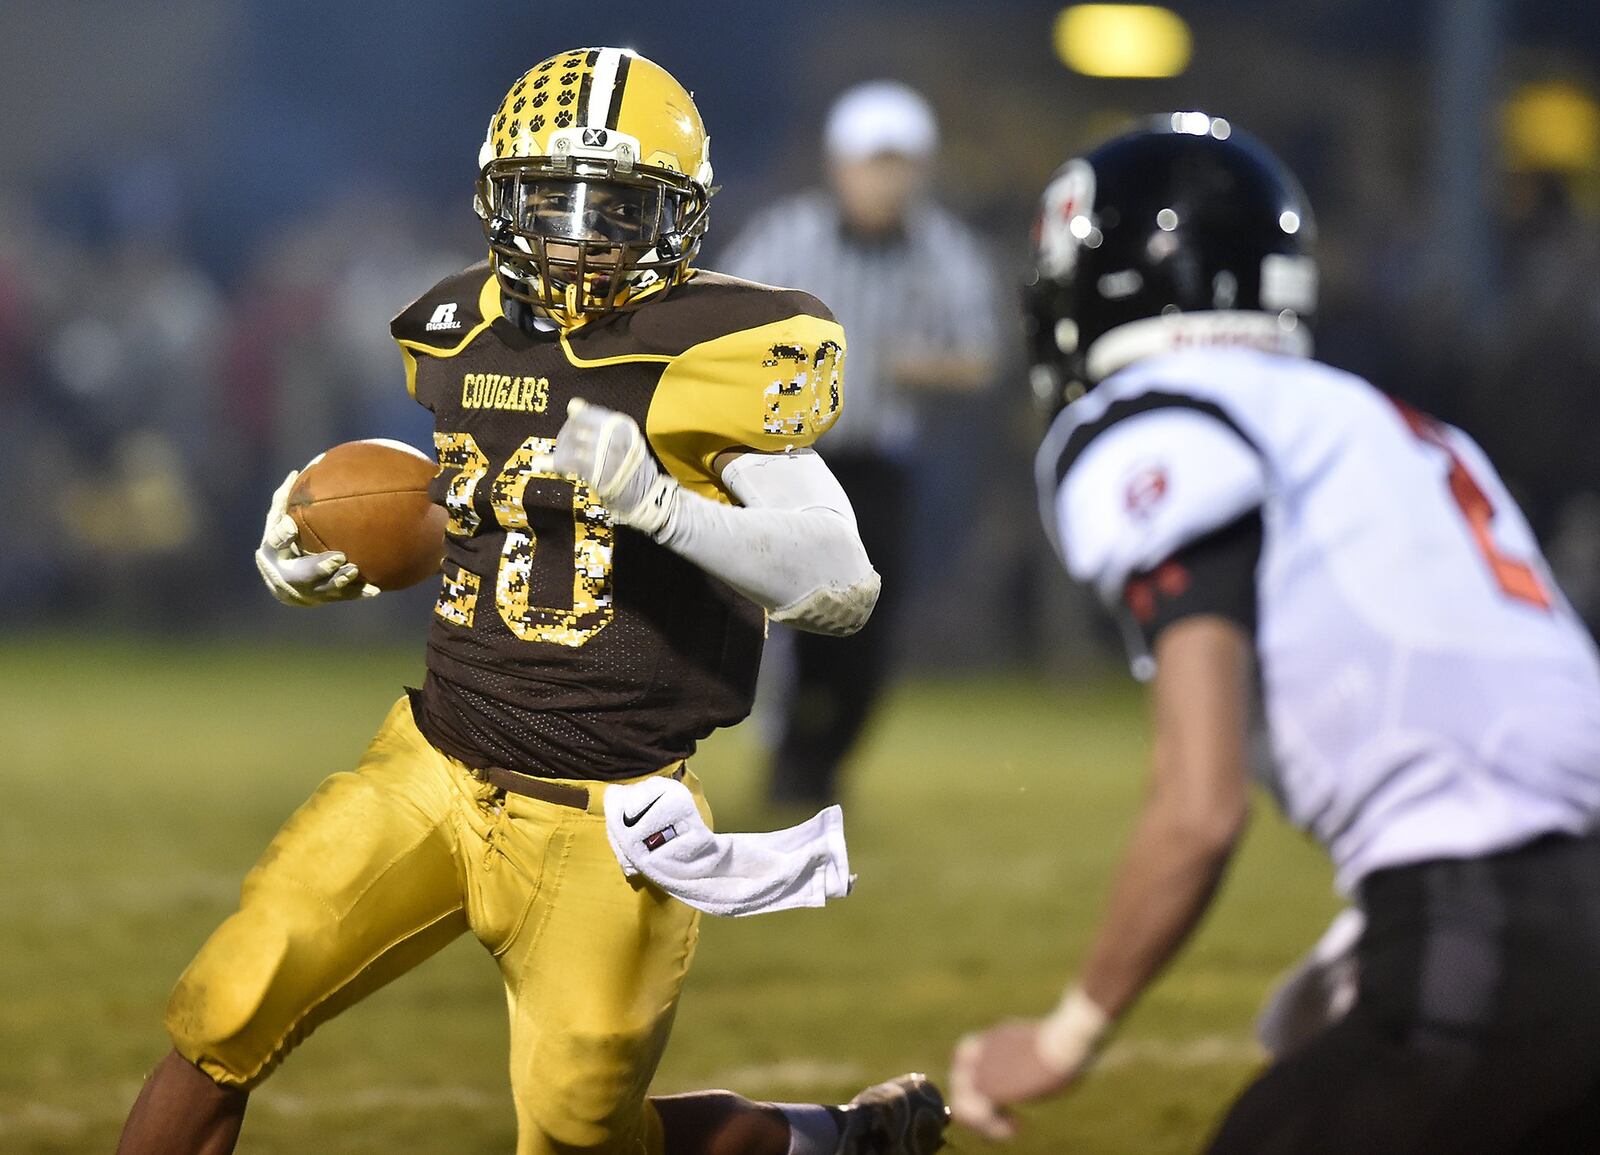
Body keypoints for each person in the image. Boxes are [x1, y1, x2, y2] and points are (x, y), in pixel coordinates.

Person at [115, 48, 949, 1155]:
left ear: (678, 219)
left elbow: (839, 583)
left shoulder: (712, 355)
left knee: (582, 1135)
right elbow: (443, 496)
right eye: (551, 199)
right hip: (431, 763)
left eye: (616, 207)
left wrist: (659, 502)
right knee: (225, 1009)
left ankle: (818, 1141)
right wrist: (311, 543)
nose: (577, 235)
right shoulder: (458, 328)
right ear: (498, 198)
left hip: (608, 817)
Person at [947, 114, 1600, 1152]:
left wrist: (1065, 1036)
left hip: (1489, 928)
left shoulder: (1154, 416)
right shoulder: (1388, 421)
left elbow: (1200, 809)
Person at [718, 81, 1002, 806]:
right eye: (873, 163)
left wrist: (918, 365)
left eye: (899, 164)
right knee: (796, 617)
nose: (885, 180)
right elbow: (716, 320)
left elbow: (980, 355)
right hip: (786, 458)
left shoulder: (943, 250)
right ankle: (791, 754)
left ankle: (821, 754)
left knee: (870, 624)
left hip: (878, 464)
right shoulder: (790, 236)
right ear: (839, 165)